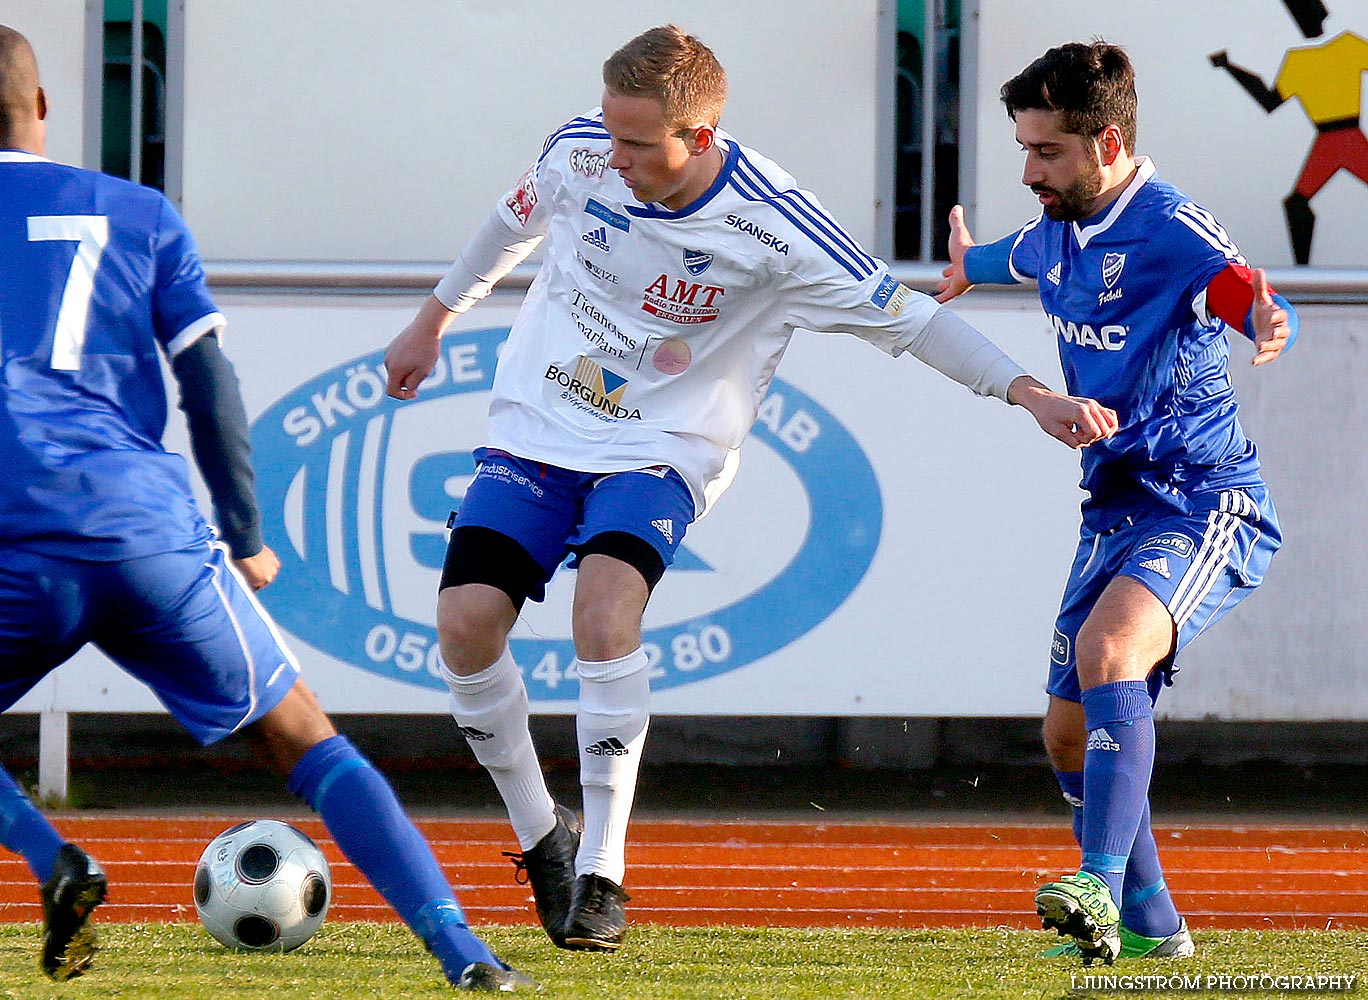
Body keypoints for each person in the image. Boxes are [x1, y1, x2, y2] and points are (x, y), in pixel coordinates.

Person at [384, 24, 1118, 954]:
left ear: (699, 134)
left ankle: (603, 873)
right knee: (463, 625)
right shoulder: (581, 153)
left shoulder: (774, 225)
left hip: (663, 447)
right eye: (611, 135)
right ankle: (543, 839)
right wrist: (434, 318)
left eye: (638, 144)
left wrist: (1026, 391)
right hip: (538, 427)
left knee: (604, 613)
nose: (616, 158)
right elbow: (512, 220)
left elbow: (909, 319)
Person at [0, 25, 531, 992]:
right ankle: (466, 956)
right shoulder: (137, 211)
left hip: (7, 535)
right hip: (145, 530)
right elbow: (209, 383)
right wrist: (242, 532)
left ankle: (52, 860)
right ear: (42, 109)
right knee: (304, 736)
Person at [936, 41, 1297, 965]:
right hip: (1114, 511)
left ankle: (1092, 885)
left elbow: (1233, 286)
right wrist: (966, 262)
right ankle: (1153, 923)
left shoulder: (1170, 224)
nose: (1029, 173)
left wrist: (1259, 314)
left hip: (1202, 500)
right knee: (1064, 736)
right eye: (1022, 149)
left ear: (1107, 142)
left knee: (1109, 652)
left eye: (1046, 152)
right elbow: (1007, 255)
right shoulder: (1058, 228)